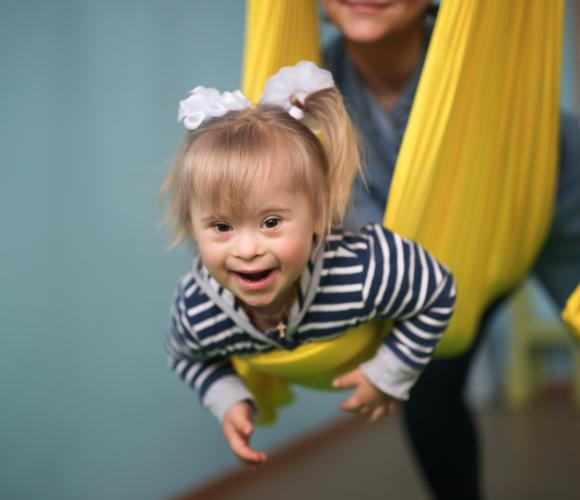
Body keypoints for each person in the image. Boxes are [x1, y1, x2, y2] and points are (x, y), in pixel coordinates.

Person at [321, 0, 580, 498]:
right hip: (438, 262)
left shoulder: (481, 56)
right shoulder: (306, 89)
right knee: (429, 390)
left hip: (547, 198)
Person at [162, 61, 456, 466]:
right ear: (194, 227)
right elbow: (185, 355)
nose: (247, 249)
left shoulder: (368, 269)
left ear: (318, 215)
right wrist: (227, 399)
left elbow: (438, 290)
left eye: (270, 223)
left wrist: (389, 372)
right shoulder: (198, 309)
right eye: (221, 226)